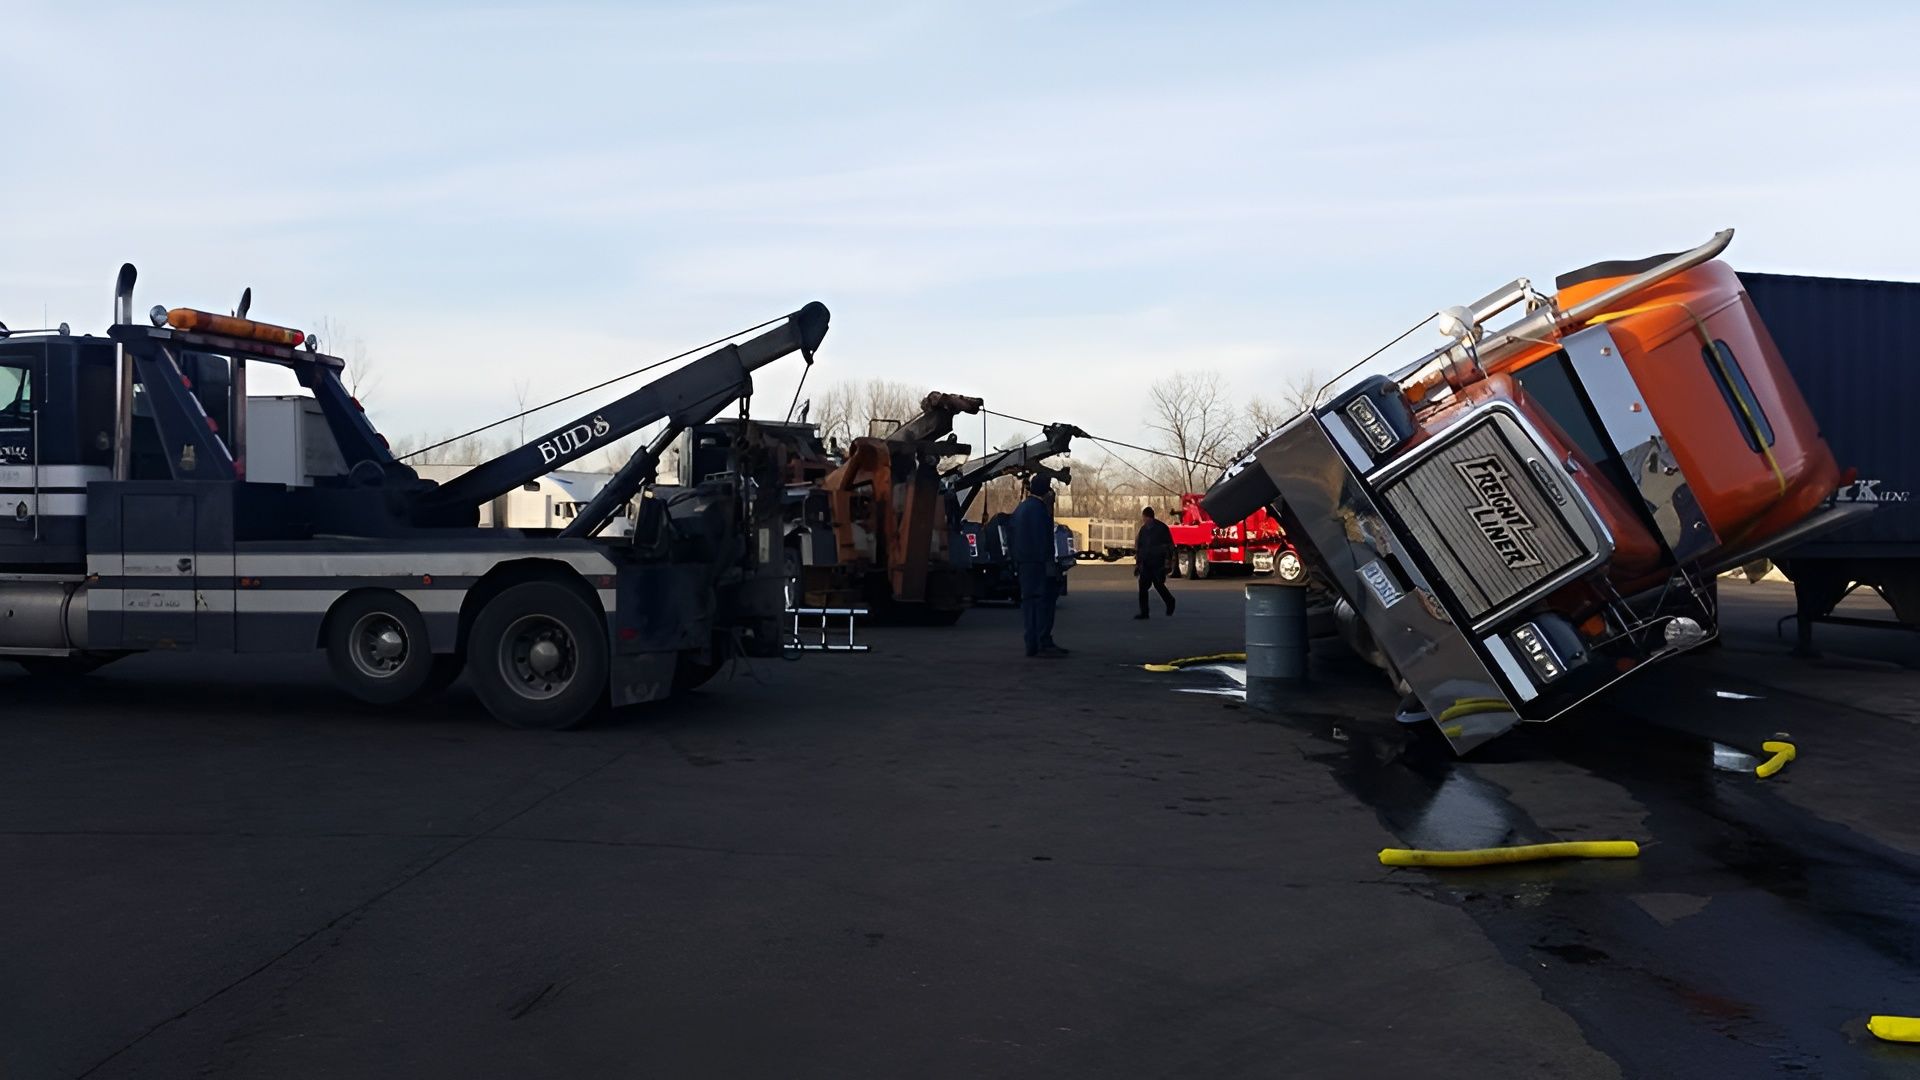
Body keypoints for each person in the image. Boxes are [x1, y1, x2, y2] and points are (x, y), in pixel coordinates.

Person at [1010, 475, 1068, 658]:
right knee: (1044, 602)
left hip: (1023, 563)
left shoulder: (1020, 509)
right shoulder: (1040, 510)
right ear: (1046, 490)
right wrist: (1050, 565)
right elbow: (1044, 539)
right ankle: (1043, 640)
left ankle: (1031, 643)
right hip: (1039, 563)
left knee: (1028, 603)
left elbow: (1012, 535)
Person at [1133, 506, 1175, 620]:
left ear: (1149, 517)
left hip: (1158, 563)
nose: (1144, 520)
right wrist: (1138, 564)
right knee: (1143, 587)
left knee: (1158, 585)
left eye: (1145, 518)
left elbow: (1170, 546)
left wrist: (1168, 563)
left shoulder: (1162, 528)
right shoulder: (1143, 530)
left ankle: (1170, 601)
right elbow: (1139, 547)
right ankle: (1144, 612)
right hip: (1146, 563)